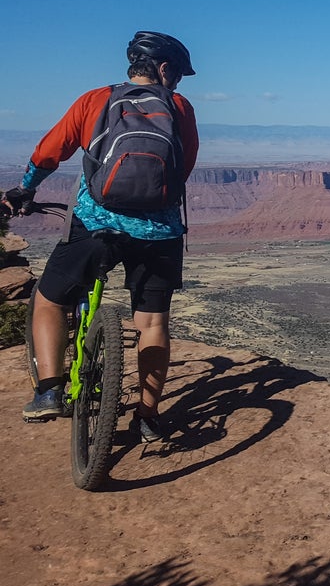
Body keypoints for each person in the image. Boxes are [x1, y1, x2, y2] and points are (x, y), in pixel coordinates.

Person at [2, 31, 199, 442]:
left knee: (50, 298)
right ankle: (146, 417)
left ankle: (49, 391)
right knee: (152, 322)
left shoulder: (95, 100)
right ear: (164, 69)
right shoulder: (179, 107)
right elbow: (183, 169)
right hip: (159, 232)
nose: (178, 81)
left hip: (95, 223)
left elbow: (48, 153)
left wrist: (25, 189)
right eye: (177, 73)